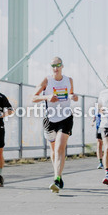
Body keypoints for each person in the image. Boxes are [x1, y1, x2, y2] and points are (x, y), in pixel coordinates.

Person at [32, 56, 78, 193]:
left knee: (59, 148)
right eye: (53, 66)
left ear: (62, 66)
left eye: (58, 65)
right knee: (53, 150)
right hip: (50, 119)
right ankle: (58, 174)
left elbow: (71, 94)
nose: (56, 68)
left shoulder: (69, 80)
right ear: (50, 67)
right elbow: (33, 97)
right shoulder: (47, 80)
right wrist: (47, 97)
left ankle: (56, 179)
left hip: (65, 118)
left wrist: (74, 97)